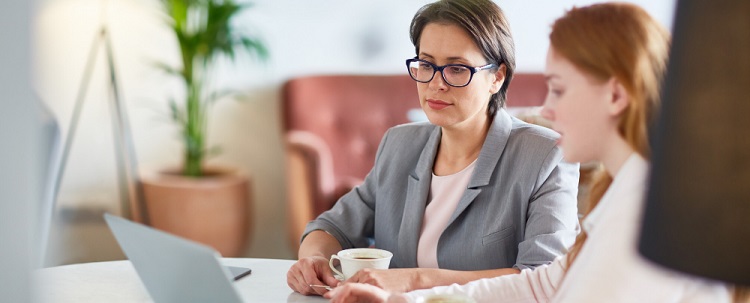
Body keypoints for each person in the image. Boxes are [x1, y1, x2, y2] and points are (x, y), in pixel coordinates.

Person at [325, 3, 732, 302]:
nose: (545, 110)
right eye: (427, 65)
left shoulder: (645, 213)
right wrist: (403, 298)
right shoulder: (619, 192)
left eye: (557, 88)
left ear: (615, 95)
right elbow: (543, 284)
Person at [286, 0, 580, 296]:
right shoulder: (399, 144)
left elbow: (546, 278)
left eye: (456, 69)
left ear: (497, 77)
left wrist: (416, 280)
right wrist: (314, 260)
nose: (436, 83)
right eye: (426, 64)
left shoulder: (547, 155)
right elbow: (331, 227)